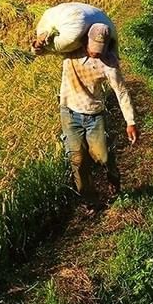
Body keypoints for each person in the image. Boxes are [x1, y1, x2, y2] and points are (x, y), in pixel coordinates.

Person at [59, 23, 137, 207]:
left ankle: (113, 178)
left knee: (102, 156)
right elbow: (41, 50)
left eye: (100, 49)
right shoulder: (70, 51)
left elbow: (121, 92)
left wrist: (130, 122)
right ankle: (90, 201)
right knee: (77, 160)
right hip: (69, 113)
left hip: (95, 115)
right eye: (93, 47)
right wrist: (38, 43)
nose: (95, 53)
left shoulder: (109, 63)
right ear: (86, 39)